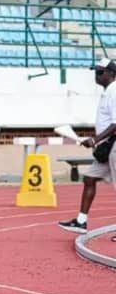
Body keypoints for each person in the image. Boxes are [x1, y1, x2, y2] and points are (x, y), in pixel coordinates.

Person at [57, 59, 116, 234]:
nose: (96, 76)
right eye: (95, 72)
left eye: (100, 72)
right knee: (89, 178)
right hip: (107, 146)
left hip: (113, 145)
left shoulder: (114, 91)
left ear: (112, 74)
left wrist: (95, 139)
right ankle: (81, 221)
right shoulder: (108, 92)